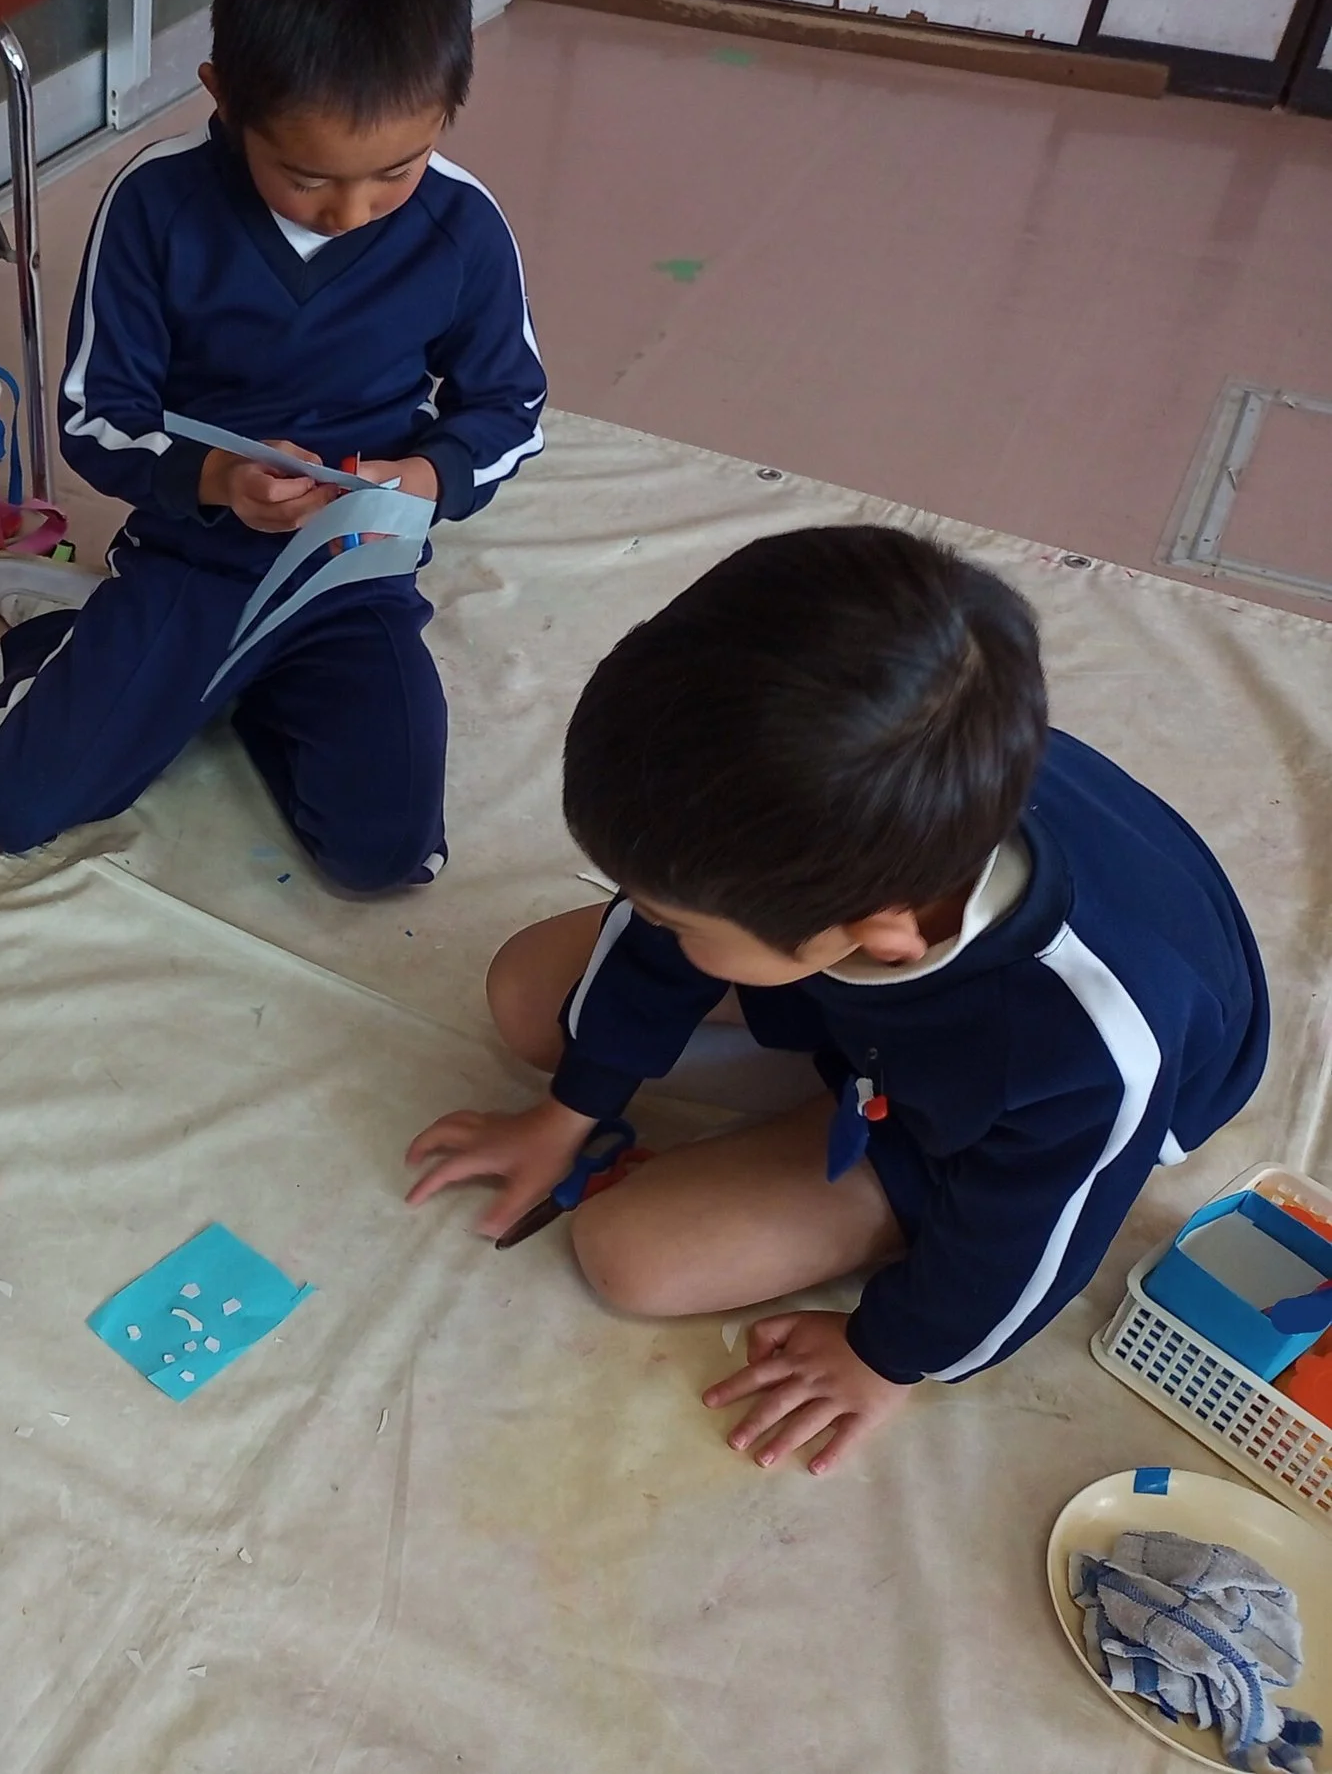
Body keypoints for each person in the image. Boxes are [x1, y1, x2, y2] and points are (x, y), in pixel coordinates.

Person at [405, 526, 1269, 1473]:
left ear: (875, 932)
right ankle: (803, 1033)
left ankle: (869, 1129)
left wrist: (886, 1355)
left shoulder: (1087, 1051)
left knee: (632, 1255)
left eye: (675, 918)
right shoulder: (854, 803)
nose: (651, 923)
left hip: (1008, 1109)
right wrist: (568, 1112)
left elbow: (1028, 1247)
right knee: (530, 992)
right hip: (868, 991)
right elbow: (655, 939)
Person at [0, 0, 545, 894]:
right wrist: (219, 478)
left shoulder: (463, 228)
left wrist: (426, 477)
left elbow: (510, 410)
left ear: (448, 103)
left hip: (352, 572)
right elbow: (96, 418)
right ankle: (59, 632)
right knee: (10, 805)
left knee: (386, 857)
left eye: (394, 172)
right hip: (193, 556)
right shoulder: (157, 205)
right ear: (223, 98)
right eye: (305, 177)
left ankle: (241, 679)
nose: (350, 210)